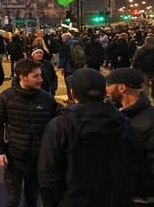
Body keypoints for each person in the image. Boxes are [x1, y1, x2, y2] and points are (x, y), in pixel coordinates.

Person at [38, 68, 150, 206]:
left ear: (72, 93)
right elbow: (140, 165)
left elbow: (48, 174)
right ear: (104, 93)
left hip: (73, 200)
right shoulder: (124, 122)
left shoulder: (60, 126)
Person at [0, 59, 58, 207]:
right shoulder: (6, 97)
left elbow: (57, 125)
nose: (41, 79)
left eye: (40, 75)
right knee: (12, 200)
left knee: (32, 199)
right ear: (22, 77)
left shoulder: (46, 99)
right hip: (14, 157)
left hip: (38, 159)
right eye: (36, 76)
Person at [105, 67, 154, 205]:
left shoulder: (150, 120)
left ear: (121, 88)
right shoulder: (115, 113)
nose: (106, 89)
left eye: (109, 85)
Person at [131, 35, 154, 101]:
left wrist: (133, 68)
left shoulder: (140, 49)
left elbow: (135, 60)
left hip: (143, 70)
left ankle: (146, 98)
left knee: (145, 85)